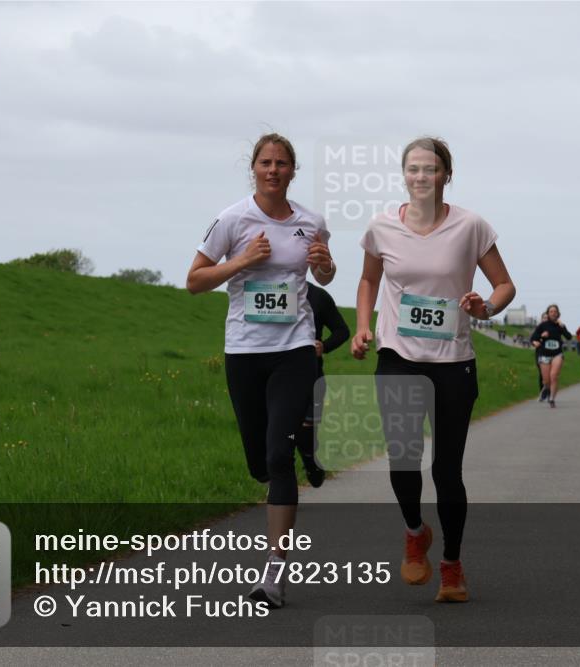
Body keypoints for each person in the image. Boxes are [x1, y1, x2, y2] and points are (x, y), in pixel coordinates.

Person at [351, 137, 515, 604]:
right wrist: (363, 326)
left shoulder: (470, 227)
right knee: (402, 459)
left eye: (431, 169)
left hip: (453, 363)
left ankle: (452, 564)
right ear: (405, 175)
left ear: (447, 175)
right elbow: (368, 279)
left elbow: (503, 284)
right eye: (414, 169)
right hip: (398, 358)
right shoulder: (382, 227)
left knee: (446, 470)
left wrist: (485, 307)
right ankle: (413, 531)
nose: (422, 177)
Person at [186, 133, 336, 609]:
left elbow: (325, 276)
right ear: (253, 168)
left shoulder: (311, 222)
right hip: (245, 351)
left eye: (282, 163)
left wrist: (326, 264)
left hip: (294, 347)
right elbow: (193, 281)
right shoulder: (232, 219)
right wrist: (242, 261)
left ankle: (274, 573)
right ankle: (271, 477)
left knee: (279, 455)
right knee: (259, 463)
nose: (273, 169)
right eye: (266, 162)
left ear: (293, 171)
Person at [295, 281, 350, 486]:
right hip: (274, 375)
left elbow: (342, 330)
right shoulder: (263, 290)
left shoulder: (318, 296)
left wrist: (324, 346)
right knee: (282, 432)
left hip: (311, 375)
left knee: (304, 431)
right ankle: (283, 480)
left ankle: (310, 461)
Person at [529, 304, 572, 407]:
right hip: (544, 354)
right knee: (546, 380)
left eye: (555, 311)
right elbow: (533, 338)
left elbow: (569, 337)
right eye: (551, 311)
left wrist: (563, 327)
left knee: (554, 376)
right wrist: (540, 337)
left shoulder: (560, 326)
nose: (553, 313)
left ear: (558, 314)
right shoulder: (543, 325)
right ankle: (546, 388)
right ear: (548, 313)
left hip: (557, 354)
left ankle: (552, 399)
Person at [533, 311, 549, 392]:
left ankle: (548, 390)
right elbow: (533, 339)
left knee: (549, 374)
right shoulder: (538, 328)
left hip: (550, 353)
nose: (545, 319)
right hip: (540, 352)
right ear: (541, 319)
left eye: (547, 318)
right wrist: (535, 342)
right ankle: (542, 391)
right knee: (542, 372)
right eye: (544, 318)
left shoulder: (552, 328)